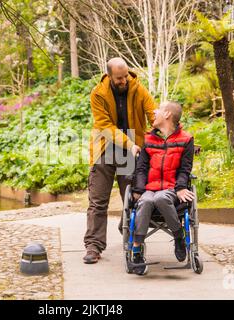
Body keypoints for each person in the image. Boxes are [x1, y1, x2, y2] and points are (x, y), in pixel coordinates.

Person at [83, 57, 157, 264]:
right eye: (119, 78)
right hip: (104, 148)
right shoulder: (98, 93)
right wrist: (129, 143)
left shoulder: (137, 88)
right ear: (109, 75)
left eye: (125, 76)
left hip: (131, 151)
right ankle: (93, 246)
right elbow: (105, 126)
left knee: (133, 198)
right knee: (97, 201)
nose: (124, 80)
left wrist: (163, 126)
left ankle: (130, 233)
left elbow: (153, 112)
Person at [130, 101, 195, 275]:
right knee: (145, 201)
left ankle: (178, 236)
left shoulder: (186, 139)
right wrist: (138, 189)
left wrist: (181, 187)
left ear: (167, 114)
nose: (154, 111)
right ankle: (136, 250)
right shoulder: (147, 139)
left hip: (171, 189)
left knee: (161, 198)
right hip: (150, 189)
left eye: (158, 109)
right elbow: (141, 168)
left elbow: (185, 169)